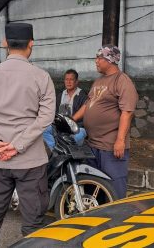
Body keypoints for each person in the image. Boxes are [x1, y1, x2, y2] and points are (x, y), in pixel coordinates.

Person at [0, 23, 55, 248]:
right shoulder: (41, 77)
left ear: (6, 44)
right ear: (31, 44)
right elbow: (46, 117)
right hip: (30, 160)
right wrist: (17, 145)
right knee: (34, 219)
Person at [73, 45, 139, 199]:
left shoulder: (122, 81)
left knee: (114, 186)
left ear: (110, 60)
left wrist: (120, 141)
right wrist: (72, 119)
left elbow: (127, 112)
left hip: (110, 146)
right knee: (94, 185)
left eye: (99, 58)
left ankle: (117, 218)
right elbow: (87, 104)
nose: (96, 61)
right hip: (93, 144)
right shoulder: (99, 81)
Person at [43, 69, 87, 149]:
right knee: (45, 130)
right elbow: (54, 113)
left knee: (80, 135)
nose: (68, 82)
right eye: (66, 79)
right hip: (60, 126)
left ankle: (70, 151)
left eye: (71, 80)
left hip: (76, 127)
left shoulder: (82, 95)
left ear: (76, 81)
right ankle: (54, 150)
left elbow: (85, 116)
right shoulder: (60, 95)